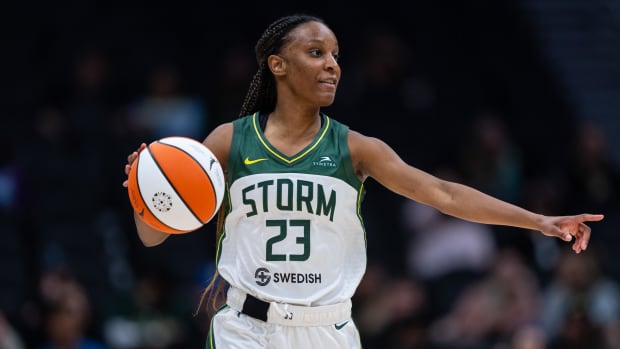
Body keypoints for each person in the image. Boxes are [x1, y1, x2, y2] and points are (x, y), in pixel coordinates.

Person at [122, 13, 604, 349]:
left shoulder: (356, 149)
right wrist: (147, 194)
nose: (333, 64)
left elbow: (444, 194)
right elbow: (154, 234)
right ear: (278, 65)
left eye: (335, 54)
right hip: (247, 330)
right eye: (316, 52)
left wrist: (538, 220)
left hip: (328, 329)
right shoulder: (230, 142)